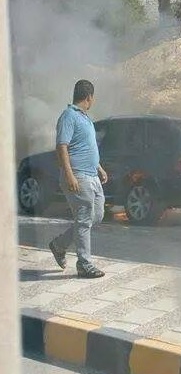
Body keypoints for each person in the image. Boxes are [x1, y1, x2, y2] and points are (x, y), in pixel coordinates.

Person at [48, 80, 108, 278]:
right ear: (89, 97)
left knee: (96, 216)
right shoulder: (69, 116)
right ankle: (84, 263)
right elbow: (62, 146)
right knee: (83, 220)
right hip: (78, 176)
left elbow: (86, 146)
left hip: (92, 175)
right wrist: (69, 174)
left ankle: (59, 245)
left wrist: (99, 167)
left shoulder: (85, 118)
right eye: (93, 97)